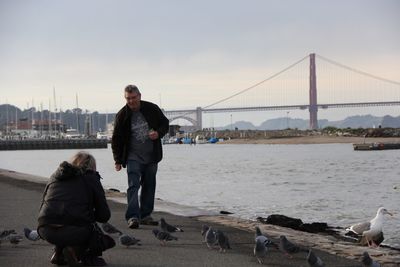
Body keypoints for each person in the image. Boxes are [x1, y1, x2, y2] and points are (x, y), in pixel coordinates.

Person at [38, 152, 112, 266]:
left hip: (45, 229)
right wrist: (90, 214)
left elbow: (44, 203)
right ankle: (75, 253)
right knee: (91, 230)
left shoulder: (55, 176)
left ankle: (59, 252)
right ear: (92, 166)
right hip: (73, 231)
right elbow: (104, 216)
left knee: (65, 220)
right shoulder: (91, 178)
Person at [112, 84, 169, 229]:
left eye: (133, 98)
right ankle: (132, 217)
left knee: (149, 185)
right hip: (133, 156)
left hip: (152, 155)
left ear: (139, 96)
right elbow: (116, 138)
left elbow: (165, 123)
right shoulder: (122, 115)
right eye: (128, 98)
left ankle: (145, 215)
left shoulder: (152, 108)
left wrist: (158, 133)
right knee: (133, 185)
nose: (131, 101)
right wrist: (118, 160)